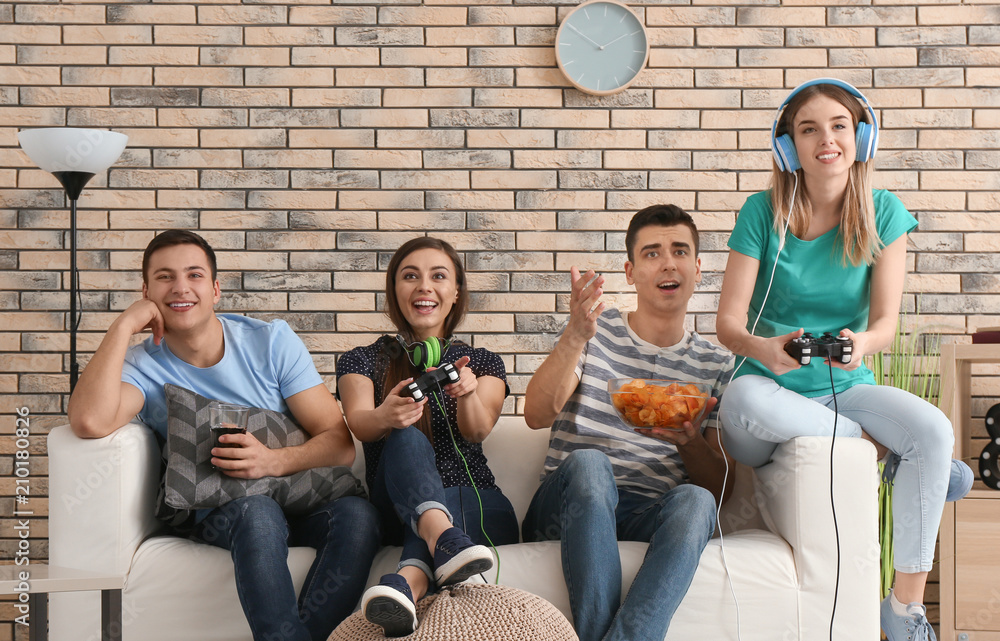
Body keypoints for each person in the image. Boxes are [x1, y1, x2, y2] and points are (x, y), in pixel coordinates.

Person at [715, 78, 972, 641]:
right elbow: (728, 324)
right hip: (766, 397)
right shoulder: (762, 212)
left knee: (931, 428)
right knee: (742, 394)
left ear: (861, 138)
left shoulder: (883, 212)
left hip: (844, 386)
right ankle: (884, 450)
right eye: (808, 129)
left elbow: (883, 324)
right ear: (789, 149)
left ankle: (904, 612)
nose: (825, 139)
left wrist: (862, 343)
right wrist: (764, 349)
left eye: (838, 126)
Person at [67, 230, 381, 641]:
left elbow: (339, 444)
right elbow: (89, 421)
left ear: (215, 290)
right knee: (257, 512)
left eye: (194, 275)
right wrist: (124, 324)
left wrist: (272, 460)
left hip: (301, 498)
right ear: (146, 291)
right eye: (164, 277)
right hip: (222, 512)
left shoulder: (270, 343)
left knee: (359, 516)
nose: (180, 287)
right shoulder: (142, 366)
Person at [521, 204, 735, 641]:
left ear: (697, 269)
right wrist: (574, 335)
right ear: (631, 271)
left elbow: (719, 488)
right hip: (568, 502)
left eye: (679, 251)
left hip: (647, 508)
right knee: (589, 465)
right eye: (652, 253)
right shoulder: (594, 332)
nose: (667, 262)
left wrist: (689, 442)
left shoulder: (716, 365)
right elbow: (535, 415)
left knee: (694, 500)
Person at [336, 236, 519, 637]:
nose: (424, 286)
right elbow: (360, 423)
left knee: (451, 494)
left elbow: (477, 429)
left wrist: (468, 393)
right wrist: (386, 414)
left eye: (438, 276)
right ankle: (444, 538)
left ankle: (407, 583)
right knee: (404, 436)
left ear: (455, 292)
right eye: (410, 276)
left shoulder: (483, 362)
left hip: (478, 505)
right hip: (396, 507)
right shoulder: (361, 359)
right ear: (395, 290)